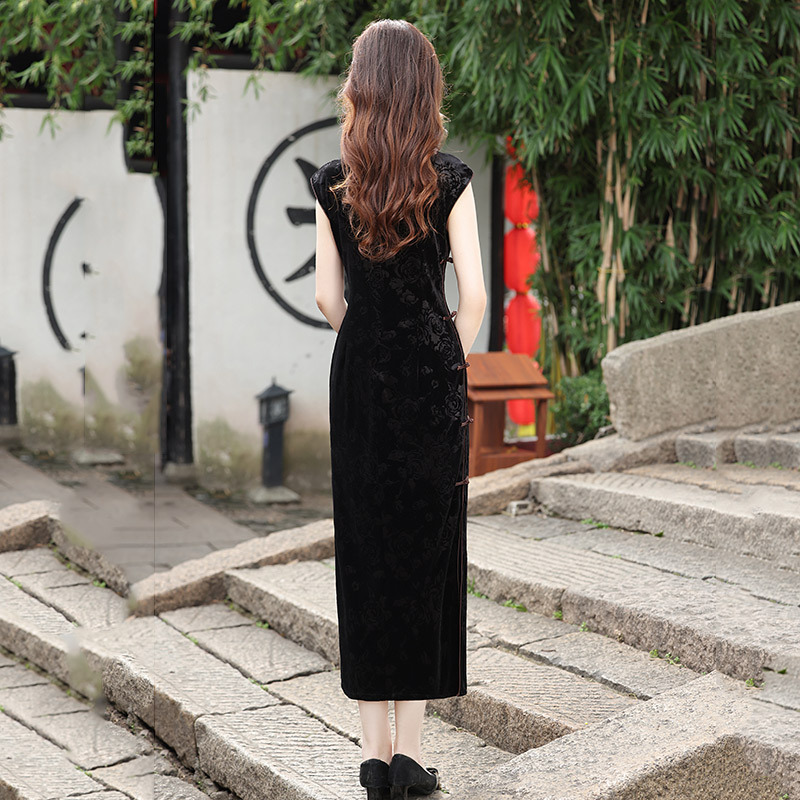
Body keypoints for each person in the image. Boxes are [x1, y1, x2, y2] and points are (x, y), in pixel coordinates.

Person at [311, 18, 486, 800]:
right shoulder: (449, 179)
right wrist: (440, 358)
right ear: (424, 89)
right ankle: (410, 756)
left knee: (366, 554)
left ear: (361, 88)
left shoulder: (333, 184)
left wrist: (371, 347)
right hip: (431, 382)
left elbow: (327, 298)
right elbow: (474, 298)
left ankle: (373, 757)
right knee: (424, 556)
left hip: (359, 381)